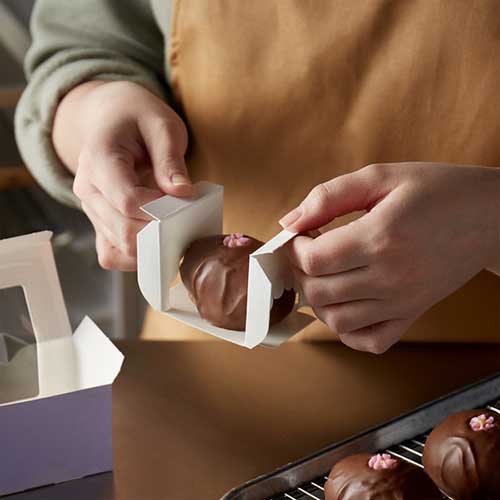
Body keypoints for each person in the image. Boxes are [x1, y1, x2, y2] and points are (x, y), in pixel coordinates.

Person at [16, 0, 500, 353]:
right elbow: (81, 46)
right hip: (204, 362)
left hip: (478, 374)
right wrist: (96, 110)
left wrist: (489, 218)